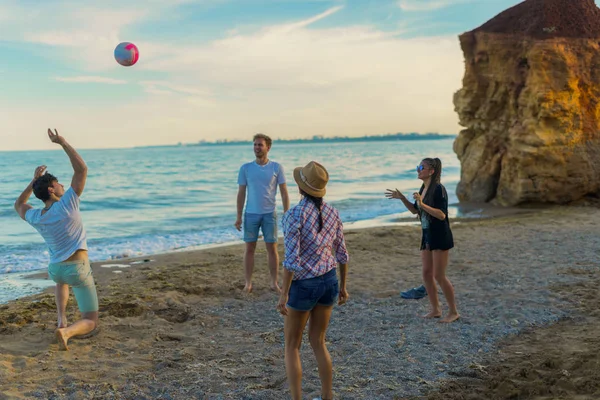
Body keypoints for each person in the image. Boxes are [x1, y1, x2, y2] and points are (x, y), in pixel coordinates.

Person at [14, 129, 99, 350]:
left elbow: (18, 205)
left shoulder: (35, 216)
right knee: (91, 319)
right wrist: (61, 142)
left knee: (61, 280)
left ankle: (62, 318)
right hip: (77, 268)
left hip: (55, 269)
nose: (63, 185)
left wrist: (33, 181)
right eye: (59, 183)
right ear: (52, 189)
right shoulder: (67, 203)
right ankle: (67, 331)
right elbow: (82, 169)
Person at [277, 161, 349, 400]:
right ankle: (327, 396)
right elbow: (342, 253)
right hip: (329, 280)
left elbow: (291, 261)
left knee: (292, 346)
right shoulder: (332, 212)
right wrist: (344, 286)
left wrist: (284, 294)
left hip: (305, 284)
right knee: (319, 342)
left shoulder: (294, 215)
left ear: (301, 188)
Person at [385, 158, 459, 323]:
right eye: (417, 167)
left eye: (421, 167)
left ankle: (453, 311)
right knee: (426, 273)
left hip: (440, 235)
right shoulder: (423, 188)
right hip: (427, 235)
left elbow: (441, 215)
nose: (418, 170)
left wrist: (421, 203)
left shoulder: (439, 189)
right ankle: (435, 309)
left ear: (431, 171)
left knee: (439, 275)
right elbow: (415, 211)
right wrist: (403, 198)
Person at [235, 133, 290, 293]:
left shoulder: (276, 167)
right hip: (250, 214)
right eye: (255, 145)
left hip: (269, 214)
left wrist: (286, 214)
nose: (257, 148)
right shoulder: (246, 168)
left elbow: (284, 192)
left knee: (272, 249)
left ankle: (274, 283)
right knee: (249, 248)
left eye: (260, 145)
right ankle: (248, 283)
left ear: (268, 147)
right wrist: (238, 216)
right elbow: (241, 193)